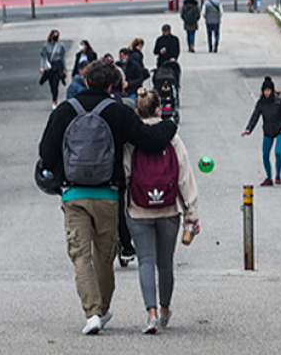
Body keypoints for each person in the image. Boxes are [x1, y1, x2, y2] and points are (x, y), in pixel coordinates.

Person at [38, 60, 178, 335]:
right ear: (112, 85)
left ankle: (92, 313)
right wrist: (169, 125)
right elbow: (148, 139)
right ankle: (101, 307)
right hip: (108, 194)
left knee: (80, 255)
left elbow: (46, 153)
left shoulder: (65, 111)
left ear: (85, 81)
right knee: (104, 256)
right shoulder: (117, 112)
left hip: (73, 194)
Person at [125, 89, 199, 334]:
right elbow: (184, 178)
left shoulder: (131, 139)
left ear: (138, 111)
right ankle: (165, 309)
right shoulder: (173, 139)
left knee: (145, 260)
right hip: (169, 209)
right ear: (159, 109)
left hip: (138, 209)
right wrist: (191, 213)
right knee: (165, 262)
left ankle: (151, 314)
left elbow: (125, 174)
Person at [240, 77, 281, 186]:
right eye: (265, 91)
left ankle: (278, 175)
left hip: (280, 130)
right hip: (268, 131)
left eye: (268, 91)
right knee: (265, 155)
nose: (267, 93)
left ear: (272, 90)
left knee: (278, 152)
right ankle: (269, 178)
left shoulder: (279, 101)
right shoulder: (261, 103)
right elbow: (255, 116)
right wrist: (248, 129)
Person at [39, 30, 68, 109]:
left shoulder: (60, 45)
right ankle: (54, 96)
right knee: (51, 84)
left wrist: (64, 68)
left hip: (58, 66)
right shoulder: (46, 45)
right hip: (50, 66)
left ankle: (54, 100)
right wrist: (42, 66)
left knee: (55, 84)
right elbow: (43, 56)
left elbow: (62, 57)